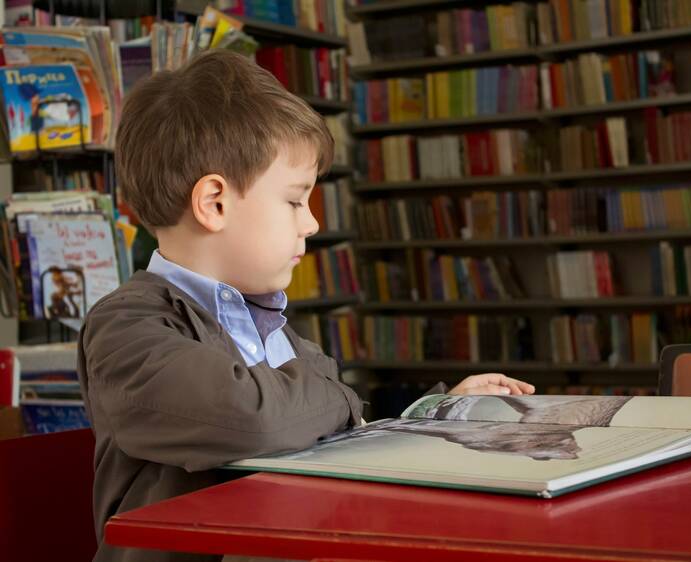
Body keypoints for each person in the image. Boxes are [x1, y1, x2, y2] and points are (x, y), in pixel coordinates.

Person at [77, 49, 535, 562]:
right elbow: (257, 421)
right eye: (295, 200)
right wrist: (337, 398)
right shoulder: (126, 327)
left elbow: (326, 432)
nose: (312, 223)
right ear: (214, 204)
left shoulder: (265, 320)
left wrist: (432, 415)